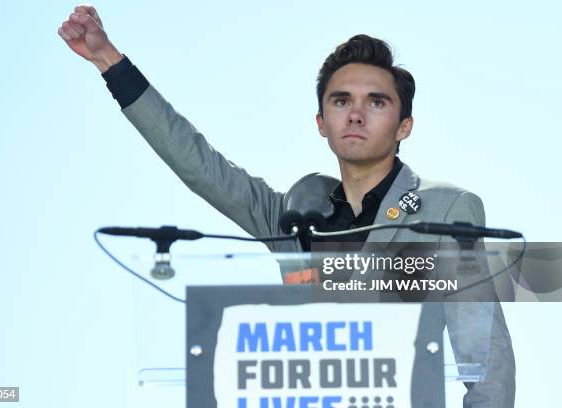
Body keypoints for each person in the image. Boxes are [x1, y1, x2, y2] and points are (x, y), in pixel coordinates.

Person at [59, 5, 515, 406]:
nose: (355, 114)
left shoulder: (445, 207)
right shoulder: (296, 218)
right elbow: (199, 165)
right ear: (322, 122)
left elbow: (486, 358)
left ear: (404, 126)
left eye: (376, 102)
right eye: (341, 101)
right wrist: (109, 62)